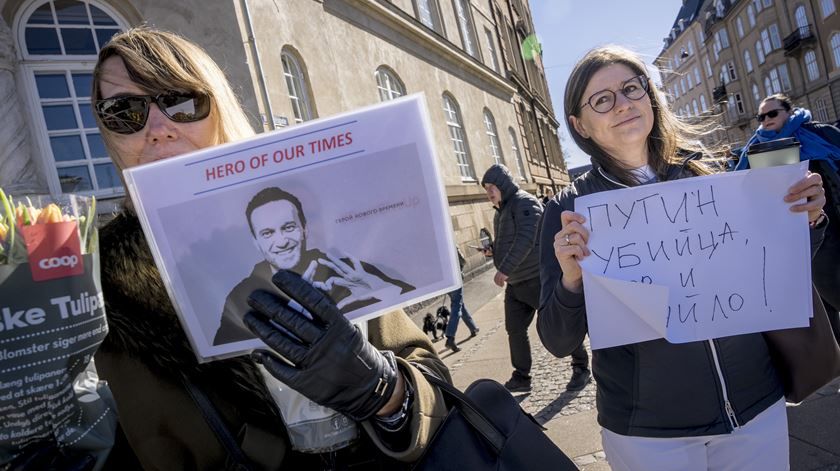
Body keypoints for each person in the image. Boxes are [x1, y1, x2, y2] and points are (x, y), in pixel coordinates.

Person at [91, 27, 449, 469]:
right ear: (108, 133)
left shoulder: (318, 238)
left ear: (217, 105)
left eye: (181, 101)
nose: (159, 129)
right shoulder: (92, 286)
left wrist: (381, 389)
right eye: (124, 111)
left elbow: (431, 381)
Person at [539, 45, 827, 470]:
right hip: (652, 434)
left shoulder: (709, 176)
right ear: (580, 125)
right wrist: (570, 280)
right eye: (602, 99)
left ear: (649, 97)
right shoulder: (571, 210)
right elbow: (556, 340)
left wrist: (807, 222)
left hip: (755, 407)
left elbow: (773, 273)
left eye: (631, 89)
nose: (622, 104)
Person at [214, 186, 415, 345]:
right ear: (255, 242)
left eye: (288, 227)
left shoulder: (347, 271)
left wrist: (385, 291)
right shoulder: (241, 295)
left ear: (304, 229)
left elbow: (412, 301)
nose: (281, 241)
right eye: (268, 233)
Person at [736, 94, 840, 342]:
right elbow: (740, 188)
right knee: (821, 304)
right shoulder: (753, 150)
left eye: (772, 113)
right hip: (794, 236)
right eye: (761, 116)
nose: (767, 120)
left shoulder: (818, 134)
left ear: (789, 112)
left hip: (833, 222)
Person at [480, 164, 591, 393]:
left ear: (503, 185)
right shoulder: (500, 211)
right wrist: (493, 250)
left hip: (534, 278)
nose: (489, 192)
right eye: (486, 189)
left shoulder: (525, 203)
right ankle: (522, 376)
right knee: (515, 329)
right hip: (516, 284)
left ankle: (581, 368)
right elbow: (507, 241)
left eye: (492, 187)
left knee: (560, 322)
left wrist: (505, 269)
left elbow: (528, 238)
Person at [443, 245, 479, 352]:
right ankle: (450, 338)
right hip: (455, 279)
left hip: (444, 281)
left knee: (459, 304)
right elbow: (462, 261)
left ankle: (473, 328)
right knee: (457, 307)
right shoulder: (449, 242)